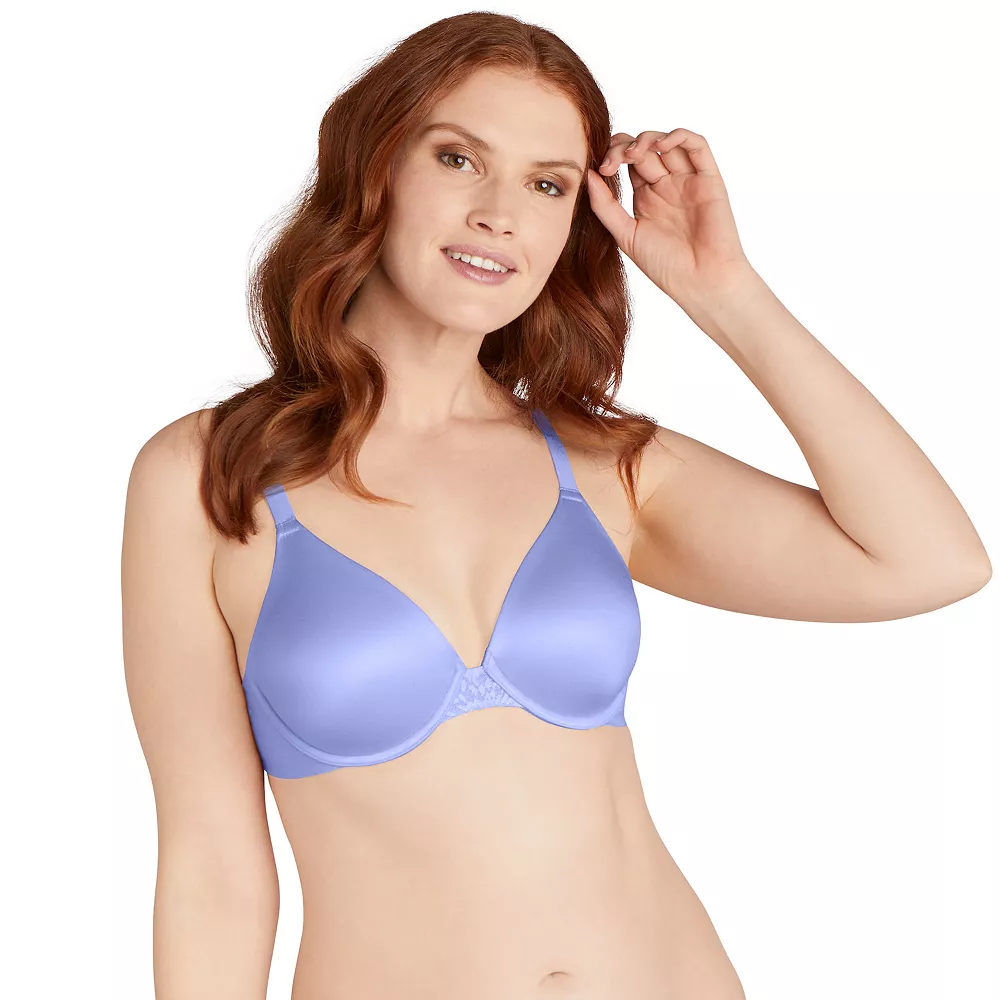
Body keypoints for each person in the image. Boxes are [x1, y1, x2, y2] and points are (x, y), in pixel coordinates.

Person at [120, 12, 991, 1000]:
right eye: (458, 159)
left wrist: (723, 292)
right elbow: (213, 873)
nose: (501, 214)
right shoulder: (208, 476)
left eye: (547, 185)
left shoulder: (604, 467)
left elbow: (931, 561)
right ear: (375, 166)